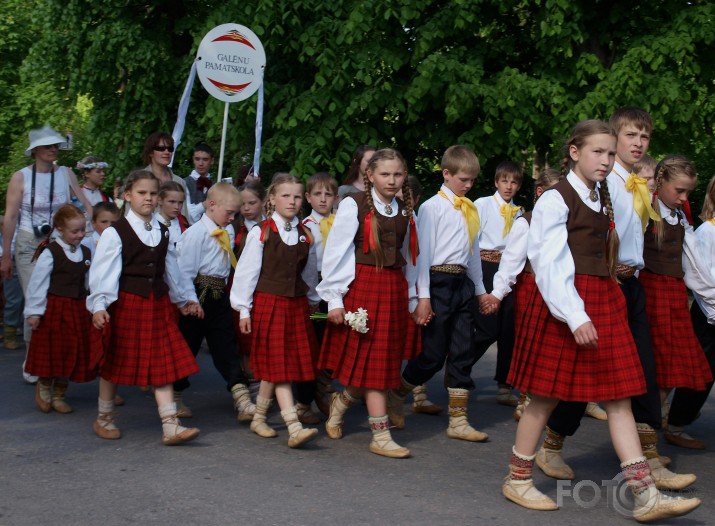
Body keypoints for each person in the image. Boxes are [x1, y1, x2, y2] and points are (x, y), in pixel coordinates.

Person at [502, 120, 700, 521]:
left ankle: (645, 494)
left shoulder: (603, 194)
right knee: (544, 395)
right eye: (599, 152)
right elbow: (548, 263)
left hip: (605, 296)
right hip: (568, 300)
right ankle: (517, 478)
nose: (607, 160)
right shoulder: (556, 199)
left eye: (611, 153)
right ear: (574, 152)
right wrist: (575, 314)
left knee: (619, 395)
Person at [87, 169, 203, 445]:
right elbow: (103, 273)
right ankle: (104, 418)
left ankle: (170, 424)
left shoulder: (163, 231)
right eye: (142, 193)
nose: (148, 199)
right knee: (114, 361)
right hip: (128, 303)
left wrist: (184, 299)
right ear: (128, 196)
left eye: (152, 194)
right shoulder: (116, 233)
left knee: (162, 362)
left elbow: (172, 271)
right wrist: (100, 305)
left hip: (158, 304)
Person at [318, 148, 419, 458]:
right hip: (363, 285)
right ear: (370, 175)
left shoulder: (405, 209)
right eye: (385, 174)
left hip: (393, 287)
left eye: (398, 174)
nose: (392, 180)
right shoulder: (354, 204)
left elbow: (415, 257)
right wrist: (334, 299)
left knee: (381, 360)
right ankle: (380, 434)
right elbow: (336, 251)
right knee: (372, 360)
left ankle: (340, 404)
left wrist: (417, 297)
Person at [388, 145, 487, 442]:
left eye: (472, 181)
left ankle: (458, 419)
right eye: (463, 180)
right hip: (437, 281)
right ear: (446, 174)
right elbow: (422, 254)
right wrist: (422, 298)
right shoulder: (431, 207)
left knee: (462, 349)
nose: (468, 186)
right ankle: (398, 392)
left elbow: (473, 255)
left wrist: (481, 291)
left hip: (462, 285)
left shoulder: (470, 209)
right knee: (431, 355)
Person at [230, 174, 320, 449]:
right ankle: (293, 426)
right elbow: (246, 273)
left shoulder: (306, 234)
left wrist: (314, 300)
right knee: (279, 367)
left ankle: (258, 418)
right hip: (269, 303)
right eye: (285, 196)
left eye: (296, 196)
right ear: (271, 199)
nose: (291, 201)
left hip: (295, 305)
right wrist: (244, 310)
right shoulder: (262, 231)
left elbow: (309, 273)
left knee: (276, 365)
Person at [1, 125, 93, 383]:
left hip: (60, 242)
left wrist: (95, 227)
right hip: (29, 243)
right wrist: (5, 255)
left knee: (58, 301)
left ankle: (54, 358)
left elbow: (85, 205)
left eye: (56, 145)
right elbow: (10, 217)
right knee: (35, 296)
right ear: (36, 151)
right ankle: (33, 360)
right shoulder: (20, 177)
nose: (55, 149)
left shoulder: (66, 173)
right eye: (49, 146)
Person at [481, 168, 564, 421]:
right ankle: (524, 397)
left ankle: (529, 394)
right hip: (521, 281)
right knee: (513, 336)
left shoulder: (564, 222)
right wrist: (496, 294)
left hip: (554, 285)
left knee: (546, 342)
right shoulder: (524, 221)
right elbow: (511, 261)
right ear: (541, 192)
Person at [639, 156, 713, 427]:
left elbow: (694, 265)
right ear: (661, 182)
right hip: (651, 294)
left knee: (674, 368)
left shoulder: (679, 216)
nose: (683, 197)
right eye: (679, 190)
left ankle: (650, 437)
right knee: (657, 368)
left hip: (674, 295)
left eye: (688, 192)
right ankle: (645, 442)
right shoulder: (646, 208)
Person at [173, 182, 256, 423]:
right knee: (188, 346)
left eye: (234, 214)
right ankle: (175, 396)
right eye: (229, 212)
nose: (232, 218)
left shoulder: (227, 230)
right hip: (198, 294)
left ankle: (241, 398)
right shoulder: (194, 234)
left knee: (226, 345)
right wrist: (190, 300)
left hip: (220, 295)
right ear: (211, 205)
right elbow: (184, 271)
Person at [24, 204, 93, 414]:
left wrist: (93, 305)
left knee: (71, 349)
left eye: (82, 230)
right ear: (60, 229)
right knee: (54, 349)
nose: (80, 235)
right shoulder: (51, 252)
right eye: (75, 231)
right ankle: (44, 385)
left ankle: (59, 393)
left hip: (78, 308)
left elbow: (89, 282)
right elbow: (38, 283)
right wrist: (34, 312)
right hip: (55, 308)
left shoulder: (87, 252)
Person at [665, 174, 715, 449]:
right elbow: (701, 274)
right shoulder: (708, 230)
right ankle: (676, 424)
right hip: (710, 311)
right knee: (699, 370)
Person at [473, 161, 523, 406]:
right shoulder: (482, 205)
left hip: (509, 270)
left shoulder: (520, 213)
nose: (509, 186)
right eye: (504, 181)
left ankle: (505, 385)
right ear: (496, 182)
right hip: (484, 266)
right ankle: (459, 364)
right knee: (487, 327)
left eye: (514, 182)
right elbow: (472, 239)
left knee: (508, 330)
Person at [300, 172, 338, 421]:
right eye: (317, 194)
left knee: (335, 342)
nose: (323, 199)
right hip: (314, 289)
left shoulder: (341, 223)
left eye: (328, 194)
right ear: (308, 197)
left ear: (335, 197)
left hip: (336, 288)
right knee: (314, 342)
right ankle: (304, 400)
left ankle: (323, 388)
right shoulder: (305, 227)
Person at [404, 174, 442, 416]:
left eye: (406, 199)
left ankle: (419, 393)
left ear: (416, 199)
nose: (401, 202)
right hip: (401, 285)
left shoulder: (418, 220)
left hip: (418, 284)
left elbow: (421, 258)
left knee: (418, 340)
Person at [142, 132, 191, 221]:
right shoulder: (139, 179)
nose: (167, 152)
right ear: (151, 152)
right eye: (161, 148)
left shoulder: (179, 182)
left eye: (170, 149)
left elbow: (184, 216)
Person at [0, 216, 24, 350]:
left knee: (31, 298)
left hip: (33, 254)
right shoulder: (10, 217)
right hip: (13, 258)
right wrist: (5, 256)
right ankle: (10, 333)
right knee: (14, 299)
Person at [184, 143, 215, 223]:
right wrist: (204, 204)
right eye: (197, 159)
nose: (200, 163)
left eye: (205, 159)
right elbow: (187, 214)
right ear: (193, 160)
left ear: (212, 161)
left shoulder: (215, 185)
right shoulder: (184, 183)